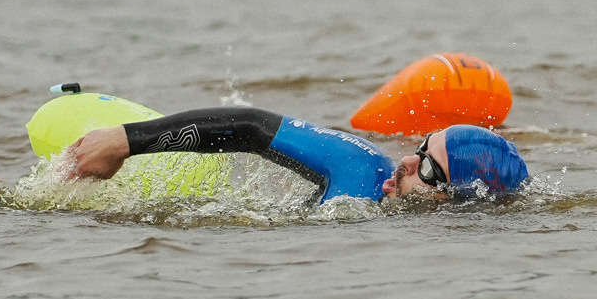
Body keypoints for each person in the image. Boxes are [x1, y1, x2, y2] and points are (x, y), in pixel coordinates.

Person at [61, 105, 528, 203]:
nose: (406, 161)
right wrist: (124, 140)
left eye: (427, 167)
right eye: (420, 147)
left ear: (459, 199)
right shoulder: (361, 168)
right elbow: (250, 126)